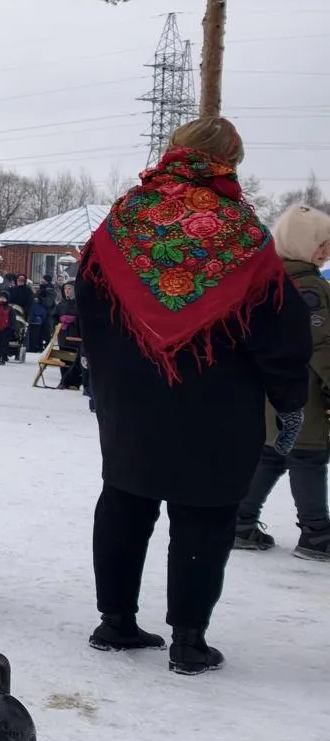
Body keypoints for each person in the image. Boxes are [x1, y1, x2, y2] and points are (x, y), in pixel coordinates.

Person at [77, 117, 310, 674]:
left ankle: (116, 621)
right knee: (204, 513)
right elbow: (279, 326)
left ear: (173, 152)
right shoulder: (239, 231)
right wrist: (290, 398)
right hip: (216, 398)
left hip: (130, 397)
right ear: (229, 160)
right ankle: (189, 640)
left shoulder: (125, 219)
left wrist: (109, 371)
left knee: (125, 499)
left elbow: (87, 296)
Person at [234, 204, 330, 559]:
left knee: (274, 454)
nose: (327, 250)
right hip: (303, 392)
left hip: (271, 390)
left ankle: (241, 522)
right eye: (322, 244)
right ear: (304, 246)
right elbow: (321, 346)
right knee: (308, 457)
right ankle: (317, 533)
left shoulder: (272, 280)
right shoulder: (309, 289)